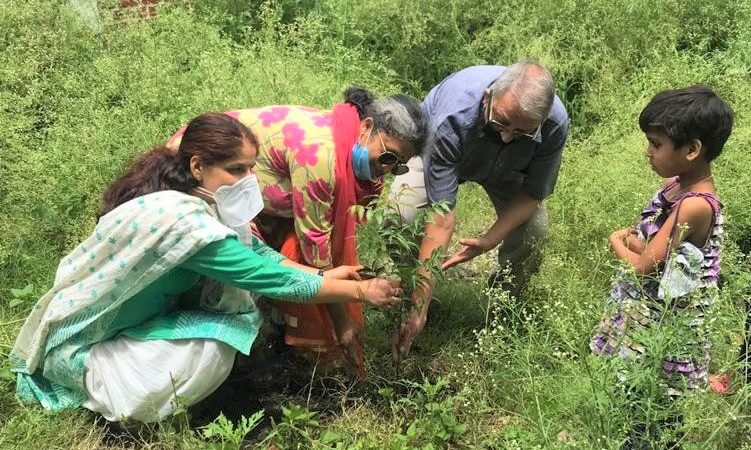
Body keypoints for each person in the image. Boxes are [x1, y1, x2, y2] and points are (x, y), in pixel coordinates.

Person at [9, 113, 402, 423]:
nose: (250, 180)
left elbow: (259, 256)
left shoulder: (202, 204)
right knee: (217, 342)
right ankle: (111, 399)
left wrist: (321, 276)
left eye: (251, 168)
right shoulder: (184, 223)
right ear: (198, 167)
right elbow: (265, 277)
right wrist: (361, 292)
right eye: (236, 170)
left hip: (132, 322)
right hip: (80, 347)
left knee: (232, 314)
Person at [168, 88, 427, 374]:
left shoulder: (345, 139)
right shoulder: (321, 157)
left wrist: (327, 278)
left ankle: (277, 326)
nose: (387, 171)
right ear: (366, 127)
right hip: (203, 181)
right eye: (388, 157)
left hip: (228, 198)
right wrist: (349, 305)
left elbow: (267, 259)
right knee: (234, 295)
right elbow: (297, 254)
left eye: (398, 167)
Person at [389, 61, 569, 363]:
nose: (507, 136)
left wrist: (489, 239)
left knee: (534, 231)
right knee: (400, 213)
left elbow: (533, 194)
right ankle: (418, 296)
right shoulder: (452, 116)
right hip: (445, 151)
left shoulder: (554, 124)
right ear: (488, 97)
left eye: (522, 131)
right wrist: (419, 310)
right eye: (500, 123)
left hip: (509, 171)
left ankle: (504, 308)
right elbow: (441, 218)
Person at [590, 86, 732, 441]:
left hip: (667, 325)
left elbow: (643, 268)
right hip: (648, 317)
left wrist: (616, 244)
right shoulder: (675, 186)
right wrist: (638, 243)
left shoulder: (695, 204)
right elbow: (657, 247)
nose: (648, 152)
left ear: (692, 150)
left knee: (656, 407)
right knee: (632, 395)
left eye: (656, 144)